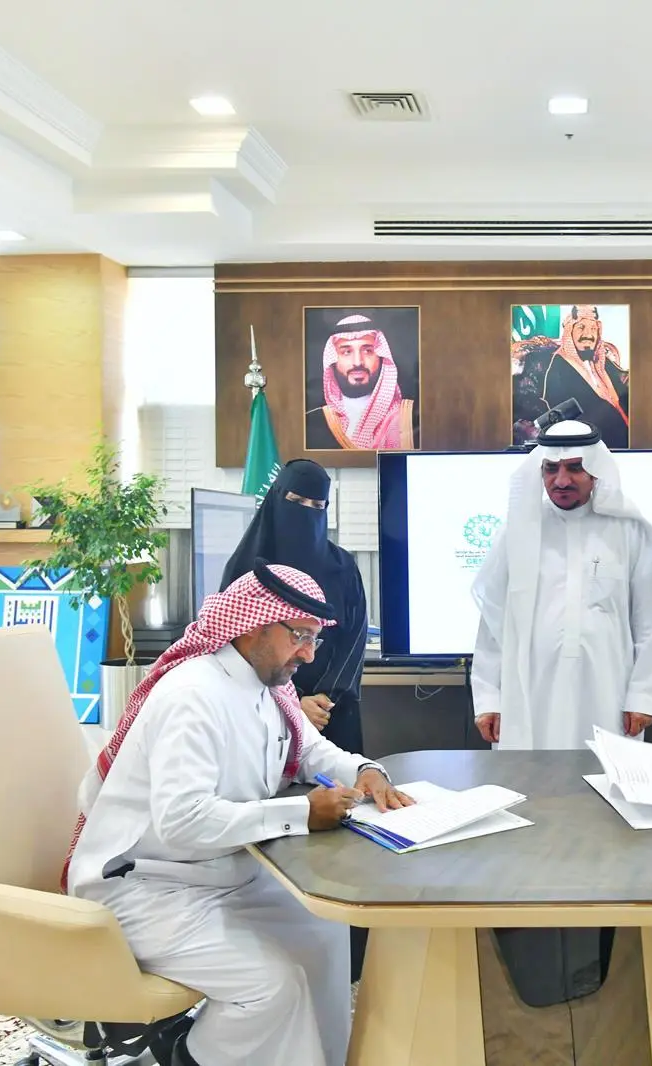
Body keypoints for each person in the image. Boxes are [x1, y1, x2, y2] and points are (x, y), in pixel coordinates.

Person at [64, 562, 414, 1066]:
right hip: (145, 888)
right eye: (300, 636)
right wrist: (300, 813)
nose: (309, 654)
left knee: (325, 929)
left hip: (221, 873)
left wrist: (365, 769)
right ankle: (185, 1055)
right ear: (254, 626)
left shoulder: (267, 685)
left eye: (314, 638)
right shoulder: (193, 697)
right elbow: (182, 822)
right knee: (272, 986)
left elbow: (310, 749)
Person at [470, 417, 652, 750]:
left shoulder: (627, 530)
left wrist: (642, 695)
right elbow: (493, 621)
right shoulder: (518, 530)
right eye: (551, 469)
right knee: (529, 778)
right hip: (529, 694)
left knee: (606, 774)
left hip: (608, 693)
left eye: (575, 468)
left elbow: (650, 622)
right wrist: (489, 697)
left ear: (595, 471)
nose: (561, 480)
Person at [220, 460, 369, 755]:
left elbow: (354, 639)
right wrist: (294, 702)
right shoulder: (248, 569)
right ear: (277, 499)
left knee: (338, 780)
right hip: (263, 708)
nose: (307, 511)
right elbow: (237, 648)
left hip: (330, 715)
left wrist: (324, 700)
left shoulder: (342, 566)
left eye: (317, 505)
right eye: (297, 501)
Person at [511, 305, 631, 448]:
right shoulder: (552, 363)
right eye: (581, 327)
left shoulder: (603, 362)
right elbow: (534, 402)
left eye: (593, 328)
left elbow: (622, 387)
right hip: (588, 441)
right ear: (570, 331)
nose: (588, 335)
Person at [305, 312, 415, 450]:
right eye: (346, 352)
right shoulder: (313, 422)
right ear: (333, 360)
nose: (358, 362)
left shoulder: (410, 417)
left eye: (367, 351)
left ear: (381, 357)